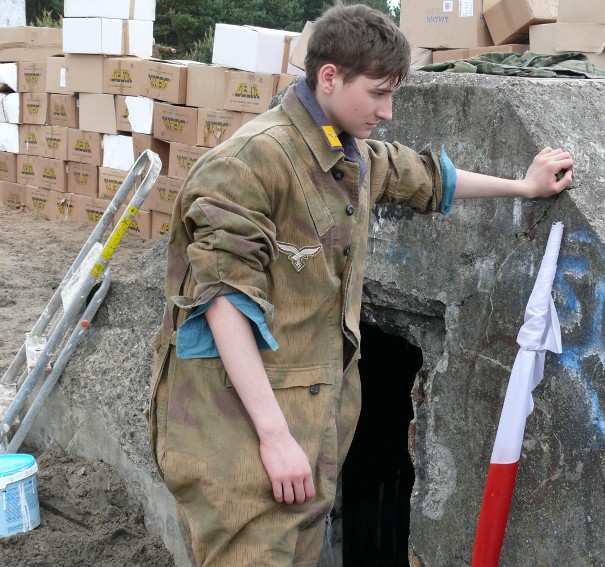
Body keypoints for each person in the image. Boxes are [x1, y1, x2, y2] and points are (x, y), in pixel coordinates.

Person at [148, 3, 574, 566]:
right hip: (238, 431)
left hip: (310, 423)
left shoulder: (344, 154)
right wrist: (275, 439)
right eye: (377, 93)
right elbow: (222, 303)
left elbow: (421, 176)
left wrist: (524, 188)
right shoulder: (250, 164)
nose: (389, 111)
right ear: (329, 77)